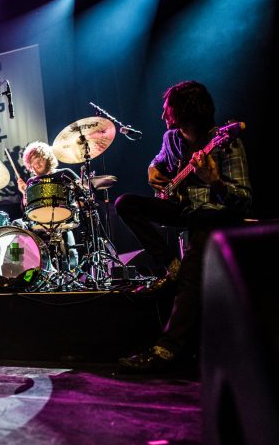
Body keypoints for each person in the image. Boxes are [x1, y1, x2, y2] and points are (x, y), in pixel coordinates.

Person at [114, 80, 251, 372]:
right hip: (184, 209)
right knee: (125, 203)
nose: (163, 116)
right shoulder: (172, 139)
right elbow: (159, 161)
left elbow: (243, 200)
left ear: (185, 112)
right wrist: (152, 169)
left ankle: (167, 349)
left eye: (168, 110)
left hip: (215, 214)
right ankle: (170, 265)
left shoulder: (227, 142)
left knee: (193, 267)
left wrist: (213, 181)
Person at [14, 141, 82, 272]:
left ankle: (68, 275)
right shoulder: (31, 182)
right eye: (32, 163)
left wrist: (75, 205)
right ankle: (17, 268)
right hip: (39, 225)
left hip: (62, 220)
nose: (36, 165)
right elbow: (26, 210)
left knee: (70, 262)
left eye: (39, 160)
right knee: (16, 225)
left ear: (47, 158)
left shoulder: (64, 173)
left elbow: (82, 195)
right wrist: (24, 193)